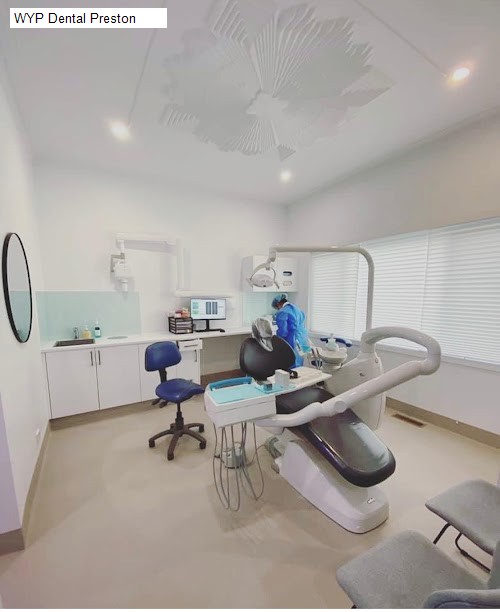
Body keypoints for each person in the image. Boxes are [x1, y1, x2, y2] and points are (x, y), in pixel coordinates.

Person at [272, 294, 310, 367]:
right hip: (302, 336)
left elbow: (283, 332)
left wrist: (276, 340)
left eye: (277, 307)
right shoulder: (297, 309)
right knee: (300, 358)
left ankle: (292, 373)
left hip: (293, 338)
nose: (278, 309)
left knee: (291, 359)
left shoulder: (282, 312)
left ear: (279, 304)